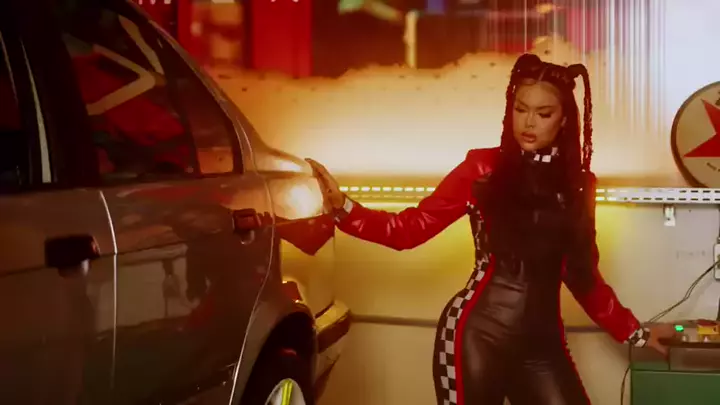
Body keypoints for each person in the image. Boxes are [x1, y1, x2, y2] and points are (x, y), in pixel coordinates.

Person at [306, 53, 678, 405]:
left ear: (564, 119)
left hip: (542, 346)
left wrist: (636, 332)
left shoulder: (578, 186)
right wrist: (344, 209)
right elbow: (409, 229)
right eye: (520, 109)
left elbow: (584, 277)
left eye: (543, 113)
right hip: (476, 336)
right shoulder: (482, 169)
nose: (528, 123)